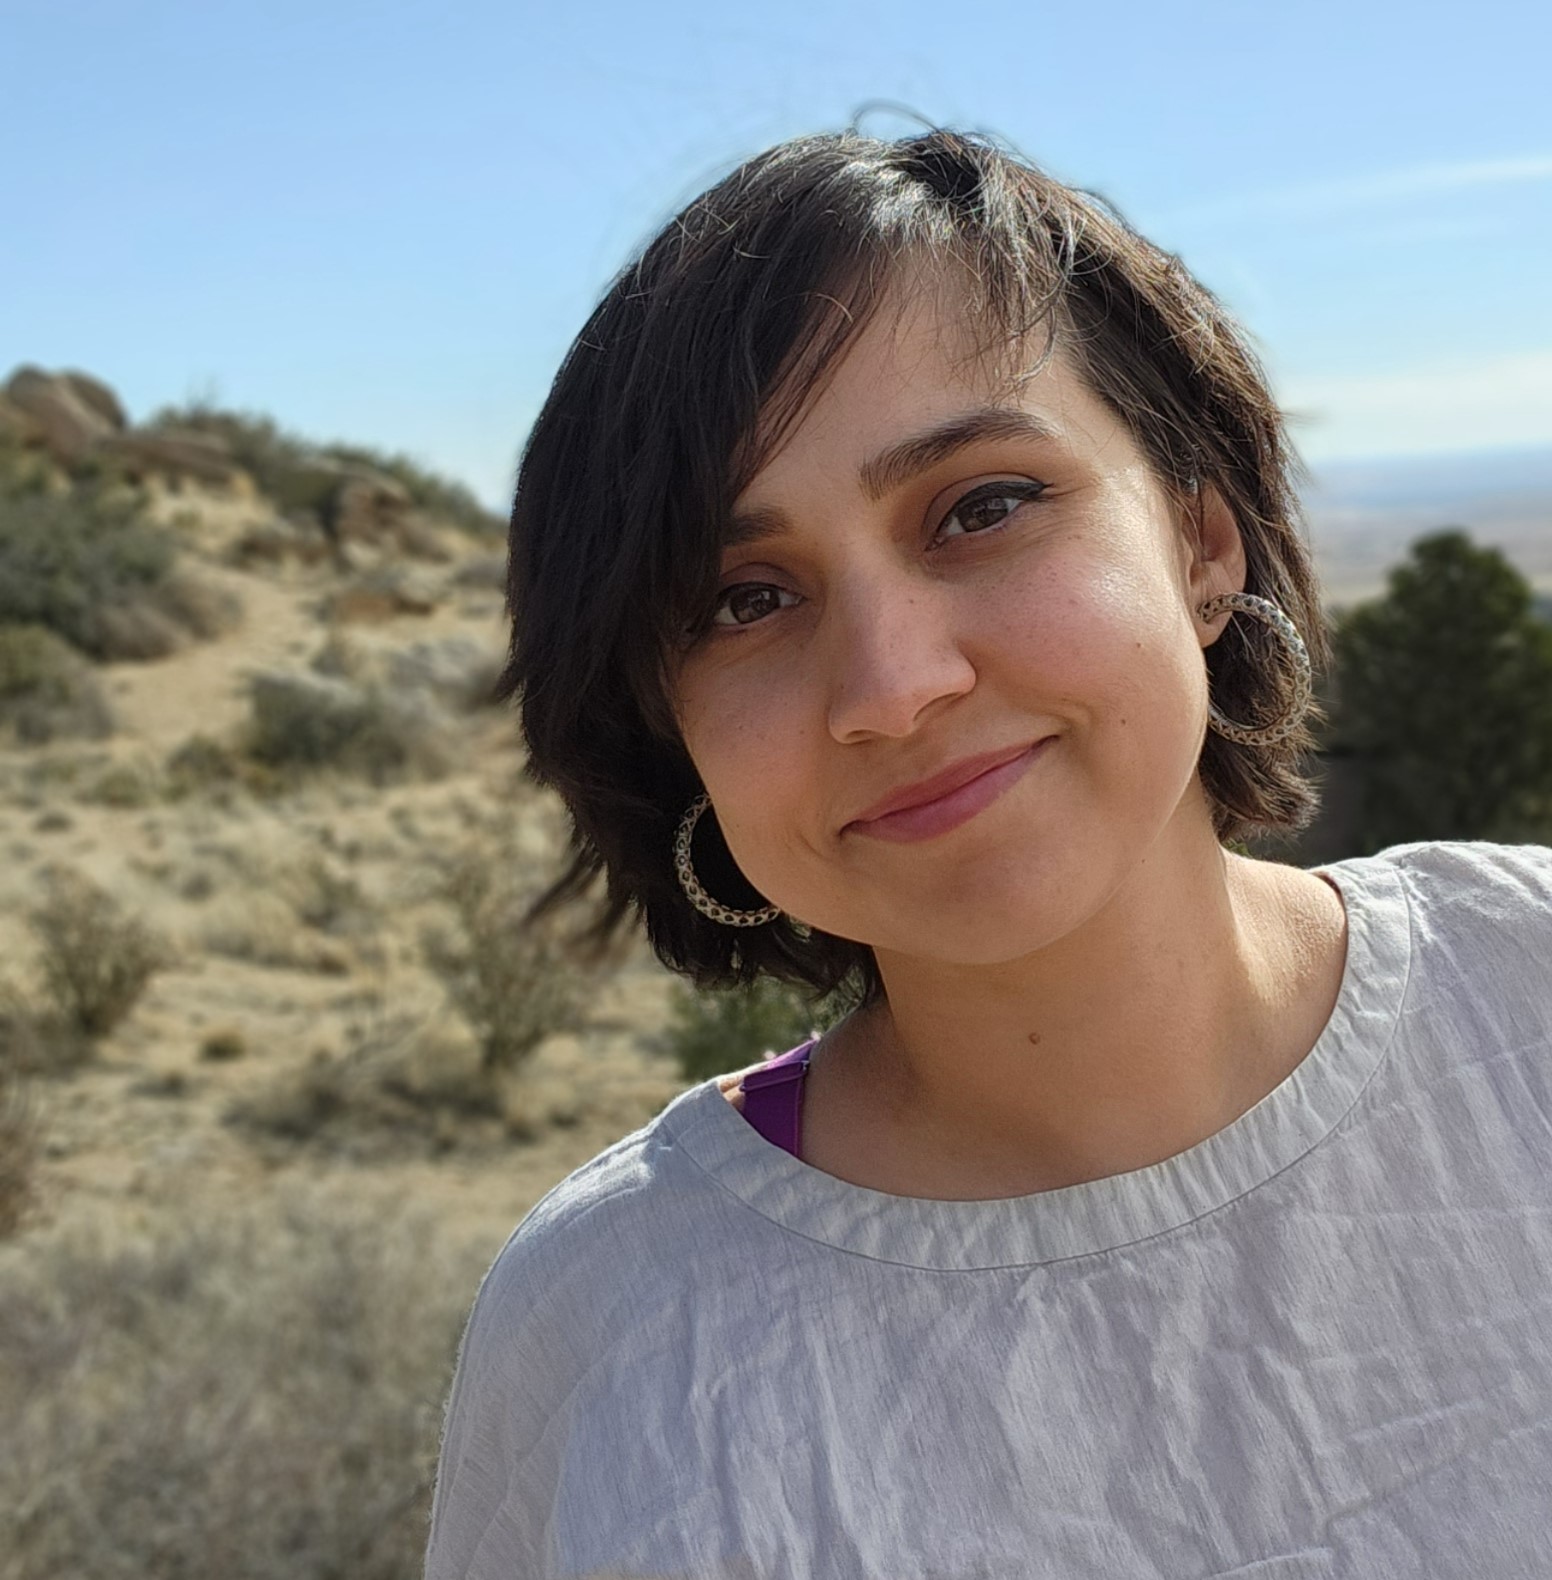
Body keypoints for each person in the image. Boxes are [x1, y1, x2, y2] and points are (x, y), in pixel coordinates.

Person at [424, 130, 1552, 1579]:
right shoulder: (610, 1335)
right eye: (745, 600)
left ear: (1203, 544)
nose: (893, 686)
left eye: (982, 507)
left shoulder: (1524, 994)